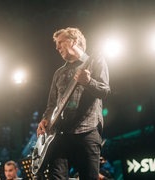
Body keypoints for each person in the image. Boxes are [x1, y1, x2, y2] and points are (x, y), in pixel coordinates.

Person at [36, 27, 110, 179]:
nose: (57, 47)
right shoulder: (58, 73)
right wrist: (45, 119)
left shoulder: (96, 61)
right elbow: (51, 104)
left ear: (74, 41)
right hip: (60, 134)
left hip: (87, 131)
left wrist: (88, 81)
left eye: (60, 42)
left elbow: (104, 91)